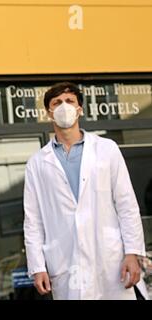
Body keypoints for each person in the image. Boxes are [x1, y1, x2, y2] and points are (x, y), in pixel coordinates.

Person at [23, 82, 146, 300]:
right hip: (66, 264)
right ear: (49, 112)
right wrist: (37, 266)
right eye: (57, 103)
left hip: (111, 261)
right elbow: (33, 220)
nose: (64, 106)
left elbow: (126, 204)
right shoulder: (37, 163)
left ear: (80, 109)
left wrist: (132, 253)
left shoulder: (106, 149)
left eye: (69, 101)